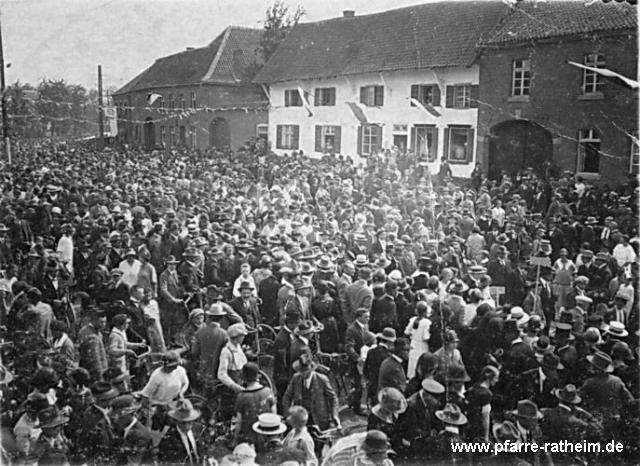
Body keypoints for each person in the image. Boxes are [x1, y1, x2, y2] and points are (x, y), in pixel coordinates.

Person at [283, 353, 339, 431]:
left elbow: (333, 398)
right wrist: (288, 414)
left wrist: (334, 415)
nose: (303, 374)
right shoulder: (296, 378)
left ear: (311, 369)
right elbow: (287, 397)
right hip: (301, 420)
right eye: (301, 371)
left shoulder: (322, 379)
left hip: (319, 420)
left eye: (305, 371)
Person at [234, 362, 277, 445]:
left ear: (244, 378)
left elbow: (239, 422)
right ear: (257, 376)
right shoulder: (268, 392)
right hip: (266, 436)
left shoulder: (241, 397)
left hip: (249, 440)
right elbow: (274, 414)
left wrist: (235, 439)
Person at [218, 323, 249, 421]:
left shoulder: (238, 347)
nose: (243, 338)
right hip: (231, 388)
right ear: (236, 337)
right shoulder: (226, 351)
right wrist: (233, 386)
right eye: (242, 336)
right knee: (230, 413)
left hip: (240, 381)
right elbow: (221, 374)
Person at [158, 399, 203, 465]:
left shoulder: (199, 429)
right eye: (183, 423)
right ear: (177, 421)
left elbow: (205, 448)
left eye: (190, 422)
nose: (187, 426)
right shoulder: (169, 440)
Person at [320, 429, 394, 466]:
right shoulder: (344, 457)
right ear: (371, 453)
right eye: (383, 453)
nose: (386, 456)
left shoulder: (374, 442)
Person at [404, 301, 431, 379]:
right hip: (422, 345)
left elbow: (406, 332)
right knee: (420, 363)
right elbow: (426, 337)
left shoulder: (412, 320)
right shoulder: (426, 322)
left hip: (413, 344)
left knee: (412, 363)